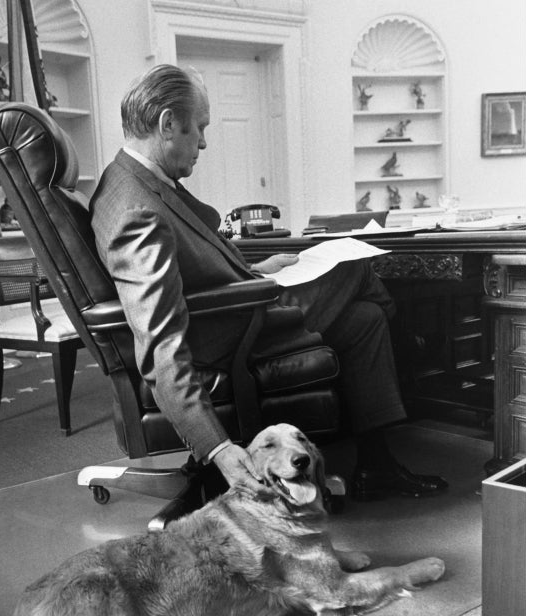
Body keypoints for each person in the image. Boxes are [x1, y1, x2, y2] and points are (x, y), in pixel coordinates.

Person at [89, 64, 447, 501]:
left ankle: (377, 464)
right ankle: (418, 353)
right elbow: (160, 340)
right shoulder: (136, 208)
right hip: (232, 338)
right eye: (198, 128)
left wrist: (258, 271)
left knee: (366, 318)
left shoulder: (133, 180)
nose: (203, 142)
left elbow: (186, 273)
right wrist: (217, 447)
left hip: (236, 310)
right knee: (356, 267)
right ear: (167, 123)